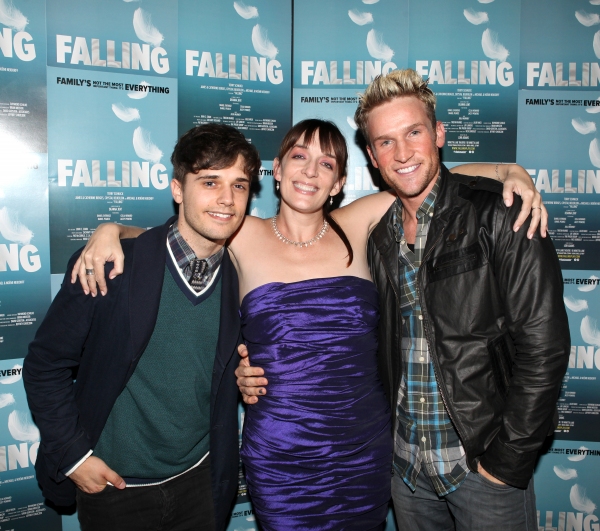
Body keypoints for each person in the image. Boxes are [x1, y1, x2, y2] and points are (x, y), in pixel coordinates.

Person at [72, 120, 545, 530]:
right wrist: (110, 232)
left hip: (365, 446)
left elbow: (431, 181)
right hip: (282, 452)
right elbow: (178, 236)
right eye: (299, 156)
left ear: (339, 182)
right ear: (276, 172)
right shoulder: (240, 233)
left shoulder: (361, 222)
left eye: (327, 164)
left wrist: (507, 171)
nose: (310, 171)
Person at [238, 69, 571, 531]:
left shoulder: (484, 215)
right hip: (400, 467)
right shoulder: (375, 228)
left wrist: (509, 171)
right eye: (386, 142)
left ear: (438, 134)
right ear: (373, 156)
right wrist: (110, 233)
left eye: (413, 132)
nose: (402, 153)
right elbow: (182, 247)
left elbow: (544, 348)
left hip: (474, 462)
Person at [23, 123, 261, 531]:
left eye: (239, 185)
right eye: (210, 182)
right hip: (116, 491)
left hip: (202, 483)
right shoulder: (112, 266)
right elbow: (45, 365)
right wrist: (74, 457)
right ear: (177, 189)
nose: (227, 199)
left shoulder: (243, 278)